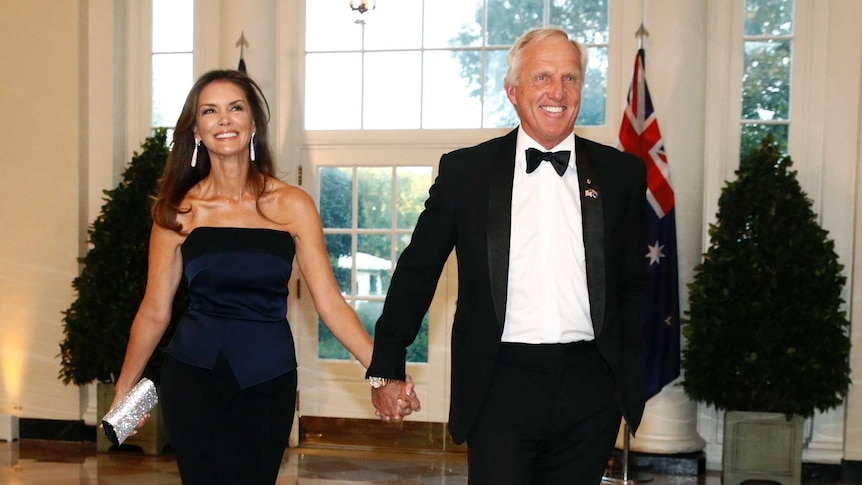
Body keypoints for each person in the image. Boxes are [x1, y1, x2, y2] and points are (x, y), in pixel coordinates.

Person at [366, 28, 648, 484]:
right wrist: (387, 367)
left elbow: (635, 284)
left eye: (570, 79)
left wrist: (620, 377)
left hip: (591, 389)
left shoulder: (622, 175)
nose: (558, 92)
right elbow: (418, 270)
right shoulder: (466, 173)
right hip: (499, 383)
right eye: (542, 77)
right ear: (512, 91)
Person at [110, 69, 419, 485]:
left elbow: (329, 304)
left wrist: (384, 372)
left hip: (267, 377)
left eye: (235, 108)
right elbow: (153, 311)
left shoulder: (292, 205)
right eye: (210, 111)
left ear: (253, 124)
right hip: (192, 375)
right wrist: (123, 392)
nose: (224, 119)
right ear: (197, 130)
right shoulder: (178, 211)